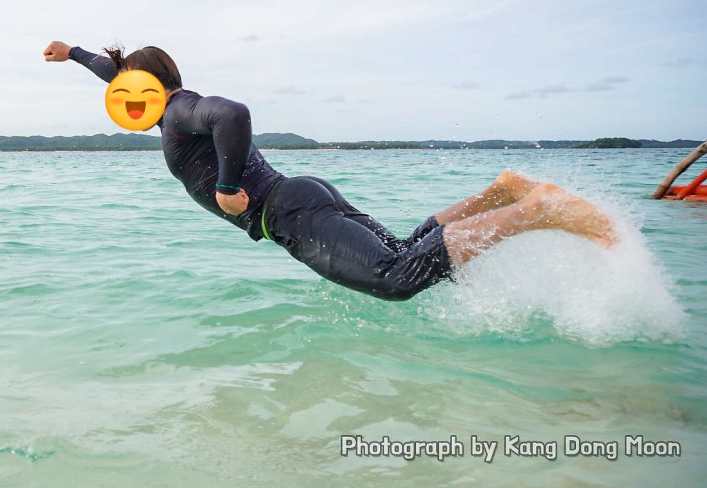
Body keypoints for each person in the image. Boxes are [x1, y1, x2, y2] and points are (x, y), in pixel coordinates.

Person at [43, 40, 616, 301]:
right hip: (302, 196)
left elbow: (234, 115)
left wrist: (224, 188)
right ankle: (501, 193)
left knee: (396, 279)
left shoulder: (178, 110)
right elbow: (113, 70)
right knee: (406, 249)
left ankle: (536, 211)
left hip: (285, 210)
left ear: (147, 91)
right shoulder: (165, 102)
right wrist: (73, 55)